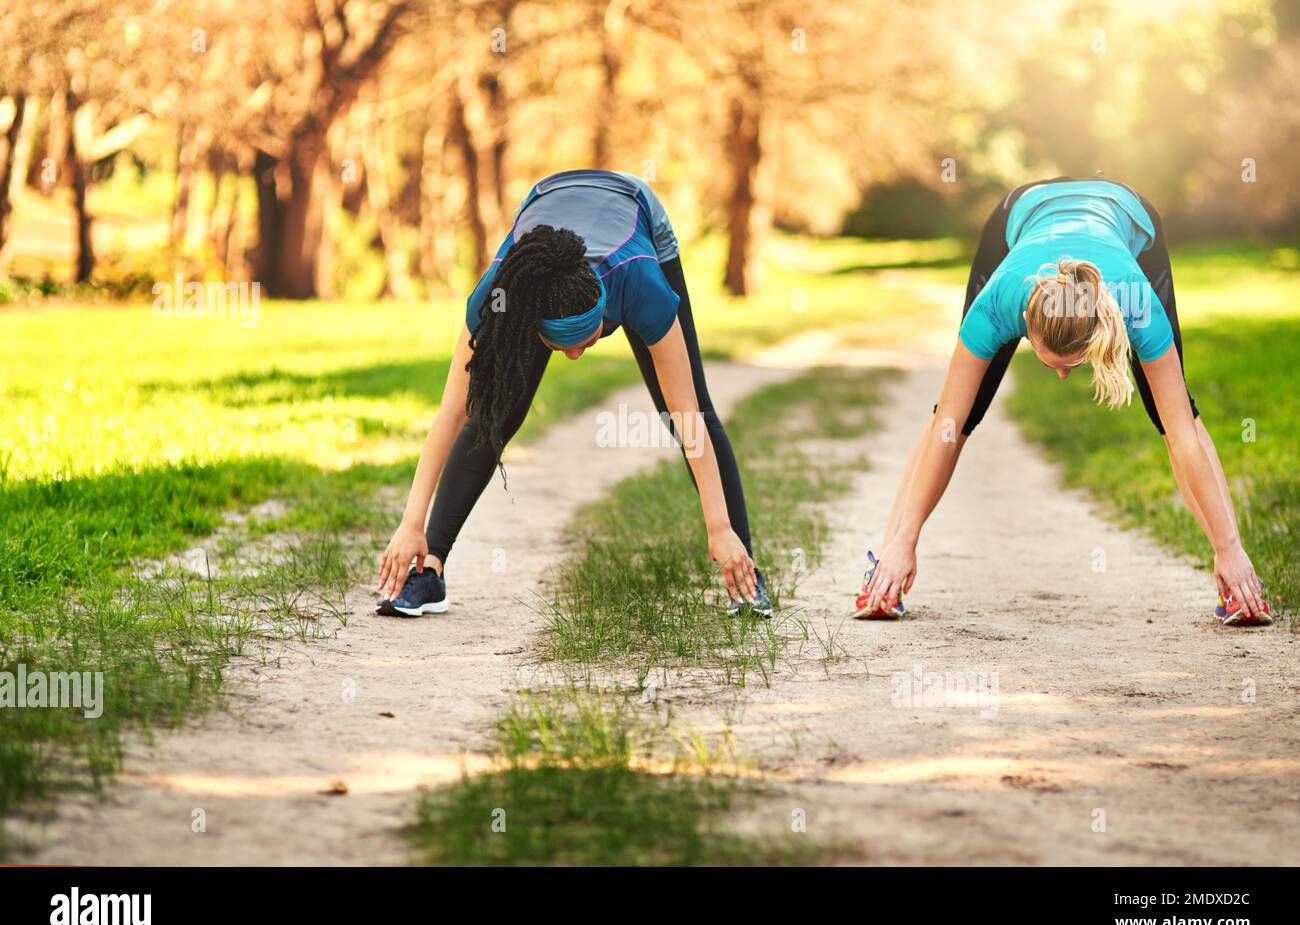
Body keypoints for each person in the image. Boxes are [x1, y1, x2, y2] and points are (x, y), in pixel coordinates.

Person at [854, 177, 1272, 626]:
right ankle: (887, 567)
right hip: (1021, 212)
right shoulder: (999, 301)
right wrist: (908, 540)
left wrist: (1228, 549)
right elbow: (947, 425)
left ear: (1101, 331)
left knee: (1174, 417)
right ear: (1023, 327)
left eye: (1075, 362)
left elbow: (1184, 438)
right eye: (1048, 360)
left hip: (1127, 209)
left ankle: (1237, 576)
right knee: (958, 415)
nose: (1061, 374)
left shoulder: (1135, 303)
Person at [376, 169, 772, 618]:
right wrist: (411, 523)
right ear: (532, 326)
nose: (576, 357)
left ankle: (746, 573)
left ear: (606, 311)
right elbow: (453, 412)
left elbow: (690, 417)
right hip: (545, 198)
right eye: (563, 347)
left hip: (635, 209)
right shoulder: (502, 294)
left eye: (589, 340)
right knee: (492, 412)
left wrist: (718, 526)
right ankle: (429, 571)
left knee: (682, 405)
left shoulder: (640, 284)